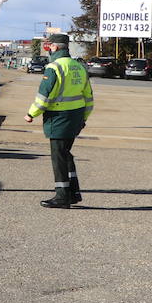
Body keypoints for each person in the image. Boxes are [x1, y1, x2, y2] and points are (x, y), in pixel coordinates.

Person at [26, 33, 94, 208]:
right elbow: (89, 97)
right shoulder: (78, 66)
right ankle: (73, 193)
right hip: (76, 117)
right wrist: (83, 118)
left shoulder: (54, 67)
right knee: (66, 154)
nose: (49, 49)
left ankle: (62, 196)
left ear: (55, 47)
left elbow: (44, 96)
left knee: (58, 157)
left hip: (59, 118)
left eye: (49, 46)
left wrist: (31, 114)